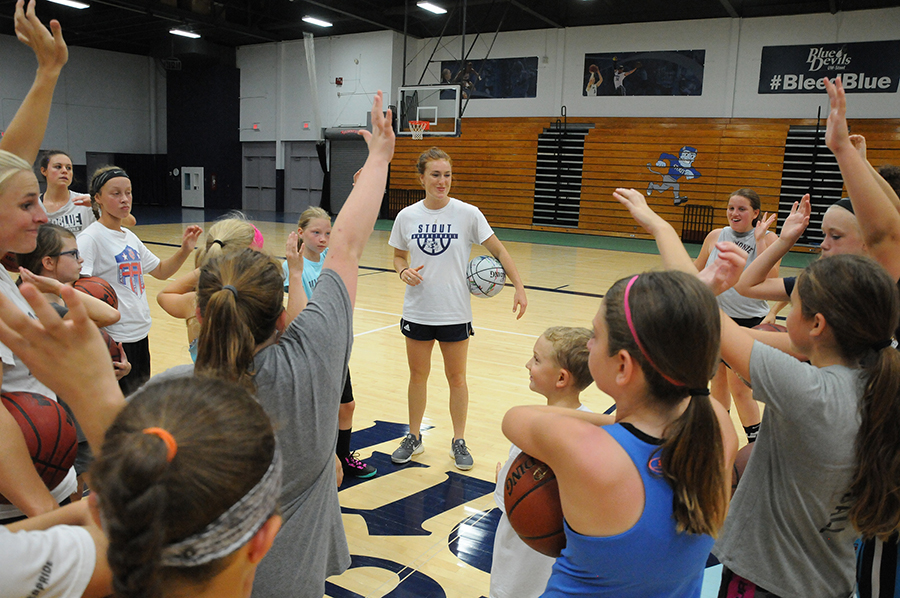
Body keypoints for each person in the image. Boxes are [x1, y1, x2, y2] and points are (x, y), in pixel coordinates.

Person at [139, 90, 394, 598]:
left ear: (201, 311)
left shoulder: (164, 395)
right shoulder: (315, 360)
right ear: (281, 315)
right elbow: (346, 245)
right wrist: (381, 157)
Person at [502, 268, 736, 597]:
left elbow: (515, 418)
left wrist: (611, 422)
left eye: (596, 335)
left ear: (623, 366)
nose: (588, 343)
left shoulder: (586, 449)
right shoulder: (719, 430)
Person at [389, 146, 528, 471]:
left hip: (455, 313)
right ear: (422, 178)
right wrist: (402, 270)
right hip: (418, 311)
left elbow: (499, 250)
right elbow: (398, 256)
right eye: (435, 175)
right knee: (417, 376)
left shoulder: (468, 214)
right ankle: (414, 436)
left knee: (457, 379)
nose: (442, 181)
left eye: (447, 175)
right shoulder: (406, 216)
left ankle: (458, 440)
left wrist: (519, 286)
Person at [0, 0, 77, 523]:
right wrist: (49, 515)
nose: (39, 217)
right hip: (20, 499)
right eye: (27, 206)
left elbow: (10, 164)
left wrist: (48, 73)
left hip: (48, 475)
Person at [490, 326, 595, 598]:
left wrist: (505, 480)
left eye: (536, 360)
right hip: (566, 570)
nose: (528, 364)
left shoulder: (532, 430)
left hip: (523, 567)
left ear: (561, 378)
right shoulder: (593, 426)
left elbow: (510, 501)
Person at [77, 165, 202, 395]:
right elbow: (79, 290)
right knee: (119, 408)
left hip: (140, 332)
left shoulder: (130, 237)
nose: (125, 199)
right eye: (116, 193)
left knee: (138, 403)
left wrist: (184, 250)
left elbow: (161, 271)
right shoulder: (90, 238)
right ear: (98, 198)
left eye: (129, 192)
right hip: (114, 337)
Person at [282, 206, 376, 479]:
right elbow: (293, 315)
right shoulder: (292, 267)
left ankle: (343, 458)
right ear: (300, 233)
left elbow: (357, 237)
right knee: (318, 413)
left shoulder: (330, 260)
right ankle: (320, 464)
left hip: (334, 345)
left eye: (327, 233)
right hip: (311, 349)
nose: (323, 238)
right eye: (316, 232)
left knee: (346, 406)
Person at [694, 188, 779, 443]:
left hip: (748, 321)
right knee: (716, 384)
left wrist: (761, 239)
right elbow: (695, 271)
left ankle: (755, 444)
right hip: (715, 318)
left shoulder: (769, 239)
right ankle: (718, 437)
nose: (734, 213)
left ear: (755, 213)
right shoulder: (716, 236)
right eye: (731, 208)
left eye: (742, 209)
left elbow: (773, 281)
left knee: (740, 388)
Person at [157, 212, 262, 363]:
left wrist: (206, 268)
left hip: (207, 386)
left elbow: (164, 295)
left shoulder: (194, 302)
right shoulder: (256, 301)